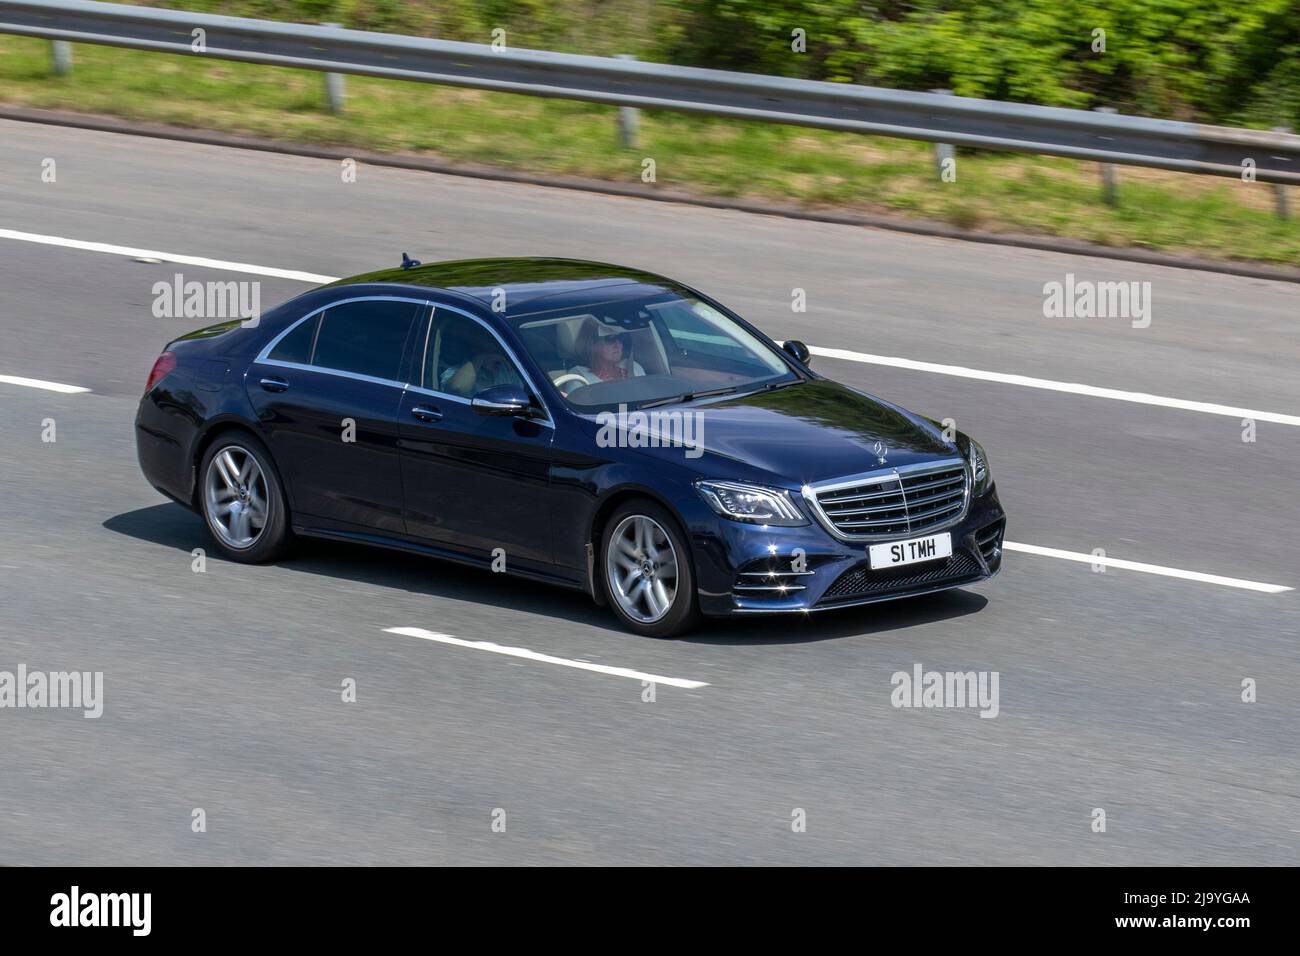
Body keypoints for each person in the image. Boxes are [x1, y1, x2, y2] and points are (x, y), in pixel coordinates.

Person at [567, 317, 645, 385]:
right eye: (610, 339)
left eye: (620, 337)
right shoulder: (579, 377)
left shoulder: (633, 367)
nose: (618, 345)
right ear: (592, 344)